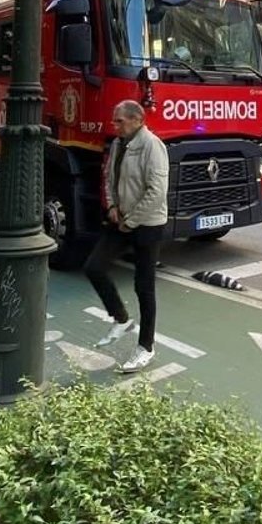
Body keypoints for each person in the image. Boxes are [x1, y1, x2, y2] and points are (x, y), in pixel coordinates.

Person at [86, 100, 168, 373]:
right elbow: (110, 179)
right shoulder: (119, 144)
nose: (115, 125)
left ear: (137, 120)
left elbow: (157, 192)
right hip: (121, 220)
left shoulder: (151, 145)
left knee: (144, 286)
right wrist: (111, 206)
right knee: (93, 266)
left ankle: (145, 347)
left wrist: (131, 221)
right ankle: (121, 318)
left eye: (119, 121)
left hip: (146, 224)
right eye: (115, 120)